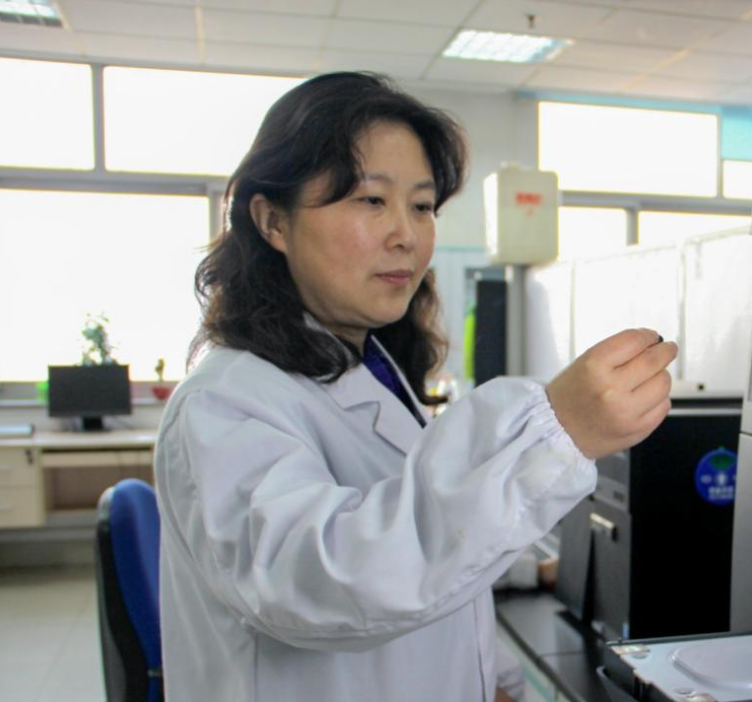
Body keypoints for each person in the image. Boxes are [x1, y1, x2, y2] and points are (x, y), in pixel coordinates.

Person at [154, 71, 677, 702]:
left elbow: (418, 529)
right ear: (273, 221)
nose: (406, 233)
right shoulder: (224, 403)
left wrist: (497, 674)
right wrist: (551, 435)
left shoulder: (367, 367)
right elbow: (326, 580)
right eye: (370, 200)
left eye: (422, 206)